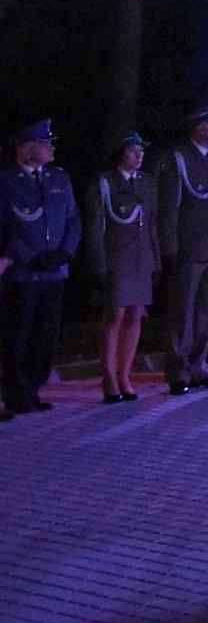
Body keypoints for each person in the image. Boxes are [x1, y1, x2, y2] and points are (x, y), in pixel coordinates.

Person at [0, 120, 80, 416]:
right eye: (45, 143)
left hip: (54, 271)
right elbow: (6, 226)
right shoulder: (7, 181)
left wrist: (65, 252)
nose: (51, 148)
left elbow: (73, 220)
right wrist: (25, 255)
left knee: (46, 335)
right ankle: (15, 394)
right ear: (25, 148)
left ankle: (33, 389)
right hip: (23, 273)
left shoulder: (58, 177)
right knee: (18, 335)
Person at [156, 102, 208, 395]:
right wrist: (170, 248)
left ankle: (199, 366)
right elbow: (168, 209)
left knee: (207, 311)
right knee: (182, 312)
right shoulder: (178, 158)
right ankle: (178, 371)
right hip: (188, 247)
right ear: (200, 127)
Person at [86, 133, 159, 403]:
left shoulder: (147, 183)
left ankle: (125, 375)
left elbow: (152, 224)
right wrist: (98, 264)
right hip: (116, 258)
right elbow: (95, 227)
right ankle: (109, 377)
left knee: (136, 314)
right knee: (115, 315)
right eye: (132, 151)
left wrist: (156, 260)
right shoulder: (104, 183)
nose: (139, 156)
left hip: (141, 257)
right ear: (120, 154)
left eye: (141, 151)